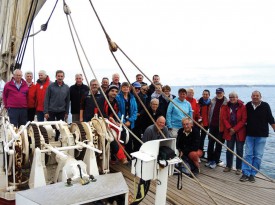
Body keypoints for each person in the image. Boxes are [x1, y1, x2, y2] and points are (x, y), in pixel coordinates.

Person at [240, 91, 275, 183]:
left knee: (258, 156)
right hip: (249, 135)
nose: (255, 97)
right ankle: (245, 173)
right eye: (254, 96)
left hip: (261, 135)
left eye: (257, 96)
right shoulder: (248, 105)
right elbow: (242, 117)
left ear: (260, 97)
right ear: (251, 96)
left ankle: (252, 174)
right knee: (248, 154)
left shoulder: (265, 105)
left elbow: (271, 119)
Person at [222, 92, 247, 175]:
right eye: (230, 97)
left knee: (239, 150)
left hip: (240, 131)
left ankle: (239, 168)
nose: (232, 98)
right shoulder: (226, 106)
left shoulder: (242, 106)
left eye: (234, 97)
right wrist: (230, 128)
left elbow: (244, 120)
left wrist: (235, 129)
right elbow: (224, 118)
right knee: (229, 149)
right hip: (229, 131)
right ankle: (228, 166)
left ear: (237, 97)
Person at [103, 85, 128, 164]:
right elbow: (100, 111)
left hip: (111, 121)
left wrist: (117, 121)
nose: (114, 93)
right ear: (109, 92)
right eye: (112, 91)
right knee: (111, 136)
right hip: (102, 121)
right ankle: (121, 156)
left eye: (116, 92)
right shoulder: (103, 100)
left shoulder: (115, 102)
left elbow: (115, 114)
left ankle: (119, 152)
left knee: (122, 131)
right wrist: (109, 118)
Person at [205, 87, 228, 169]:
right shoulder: (212, 101)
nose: (219, 94)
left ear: (223, 93)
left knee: (218, 144)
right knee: (210, 143)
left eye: (220, 92)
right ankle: (209, 159)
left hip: (221, 127)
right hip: (212, 126)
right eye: (217, 93)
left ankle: (215, 161)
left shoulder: (226, 103)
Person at [116, 82, 138, 153]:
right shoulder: (118, 97)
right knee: (122, 138)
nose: (126, 88)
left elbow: (135, 110)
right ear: (121, 88)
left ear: (129, 88)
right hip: (121, 121)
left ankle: (129, 155)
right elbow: (117, 110)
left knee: (130, 139)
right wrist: (124, 121)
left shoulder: (132, 97)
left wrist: (130, 120)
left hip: (130, 122)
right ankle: (122, 155)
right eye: (124, 87)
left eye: (127, 87)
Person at [198, 89, 211, 156]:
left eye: (206, 94)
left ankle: (201, 152)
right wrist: (201, 122)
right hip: (199, 123)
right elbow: (198, 113)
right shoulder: (199, 102)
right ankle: (198, 150)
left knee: (203, 138)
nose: (205, 96)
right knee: (197, 137)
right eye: (204, 94)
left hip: (207, 123)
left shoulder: (211, 103)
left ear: (209, 95)